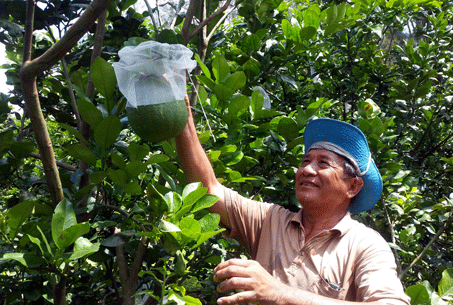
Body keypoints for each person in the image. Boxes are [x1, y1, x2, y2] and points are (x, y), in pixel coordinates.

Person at [175, 95, 410, 305]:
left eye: (323, 163)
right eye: (305, 161)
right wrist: (180, 110)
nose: (307, 169)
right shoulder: (270, 221)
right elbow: (208, 190)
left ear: (352, 186)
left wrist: (279, 292)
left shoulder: (365, 245)